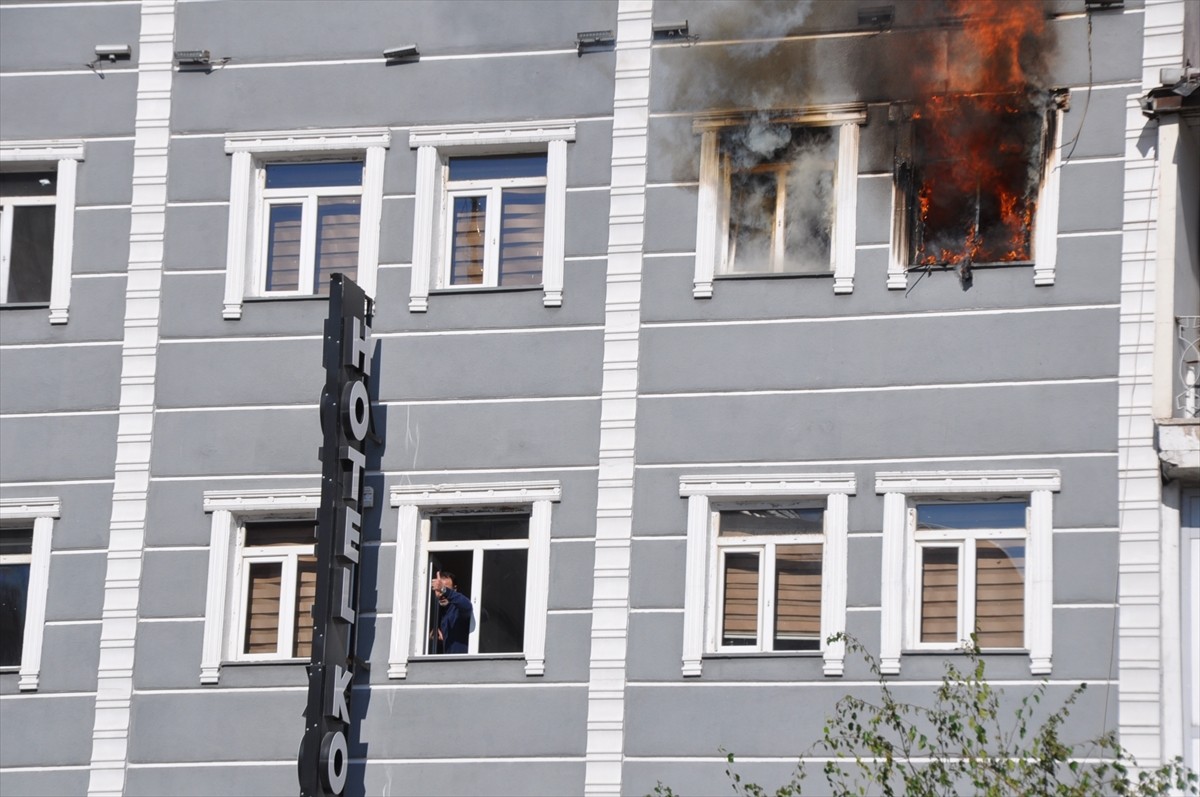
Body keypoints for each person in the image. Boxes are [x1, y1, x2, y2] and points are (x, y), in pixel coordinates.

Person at [430, 570, 473, 654]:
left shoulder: (458, 609)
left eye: (445, 589)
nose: (441, 594)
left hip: (461, 663)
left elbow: (467, 606)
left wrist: (444, 590)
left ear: (454, 589)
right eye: (438, 590)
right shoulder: (434, 612)